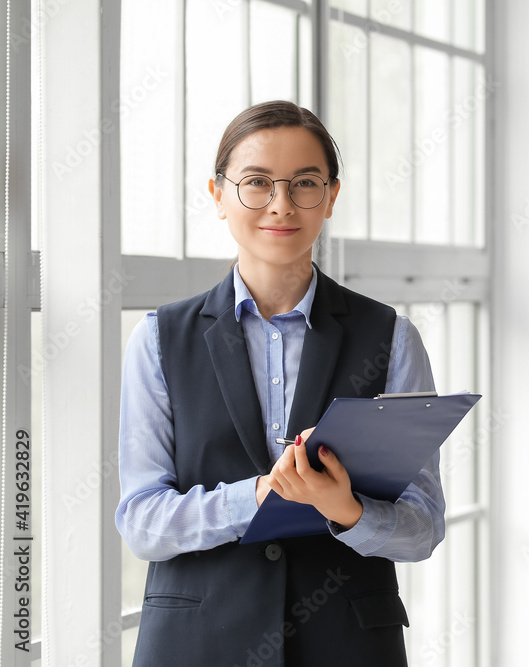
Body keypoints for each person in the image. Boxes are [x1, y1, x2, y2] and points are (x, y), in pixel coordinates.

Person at [115, 100, 444, 666]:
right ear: (218, 195)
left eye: (305, 184)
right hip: (196, 647)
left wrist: (348, 510)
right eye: (257, 183)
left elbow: (423, 527)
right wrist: (258, 497)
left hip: (347, 644)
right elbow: (143, 522)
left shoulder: (392, 337)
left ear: (332, 197)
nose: (281, 204)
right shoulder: (159, 339)